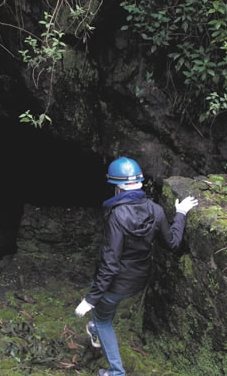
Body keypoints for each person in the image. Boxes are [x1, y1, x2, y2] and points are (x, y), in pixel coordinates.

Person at [74, 157, 198, 376]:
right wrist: (181, 213)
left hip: (116, 283)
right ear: (140, 183)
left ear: (118, 187)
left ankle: (116, 372)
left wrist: (90, 299)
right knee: (104, 313)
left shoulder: (117, 216)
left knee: (102, 319)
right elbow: (172, 243)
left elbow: (110, 263)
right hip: (138, 280)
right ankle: (95, 329)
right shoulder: (156, 210)